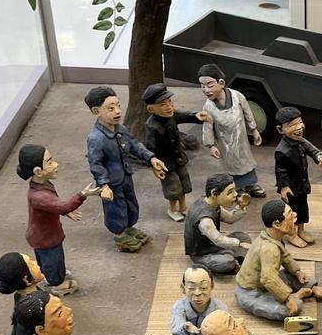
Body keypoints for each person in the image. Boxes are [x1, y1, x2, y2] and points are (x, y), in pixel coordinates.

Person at [83, 86, 168, 252]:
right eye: (110, 108)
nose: (117, 111)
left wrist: (151, 158)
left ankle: (129, 228)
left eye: (118, 106)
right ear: (96, 111)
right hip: (112, 184)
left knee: (131, 204)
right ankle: (120, 235)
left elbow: (135, 145)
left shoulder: (121, 130)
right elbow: (96, 164)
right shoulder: (96, 138)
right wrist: (104, 185)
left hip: (126, 176)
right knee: (116, 209)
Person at [15, 145, 99, 295]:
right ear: (38, 171)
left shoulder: (42, 185)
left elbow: (55, 205)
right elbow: (61, 206)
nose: (56, 164)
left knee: (50, 259)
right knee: (52, 259)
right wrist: (82, 195)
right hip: (46, 236)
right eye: (50, 162)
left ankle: (52, 275)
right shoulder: (39, 196)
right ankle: (57, 283)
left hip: (43, 234)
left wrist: (65, 211)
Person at [236, 199, 322, 320]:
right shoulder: (269, 249)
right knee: (292, 307)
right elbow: (268, 279)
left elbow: (285, 256)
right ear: (277, 224)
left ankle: (315, 289)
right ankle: (295, 296)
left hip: (267, 280)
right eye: (290, 214)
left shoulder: (273, 239)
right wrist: (288, 298)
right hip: (251, 291)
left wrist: (297, 272)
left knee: (293, 276)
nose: (295, 215)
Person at [143, 82, 211, 222]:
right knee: (173, 187)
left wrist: (196, 116)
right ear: (151, 109)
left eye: (169, 101)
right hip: (165, 163)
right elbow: (150, 148)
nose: (169, 106)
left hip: (179, 158)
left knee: (184, 182)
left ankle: (183, 207)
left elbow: (184, 115)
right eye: (163, 104)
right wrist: (154, 166)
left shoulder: (171, 115)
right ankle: (172, 209)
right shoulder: (152, 126)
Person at [198, 63, 266, 198]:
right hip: (225, 142)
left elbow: (247, 113)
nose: (206, 90)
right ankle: (237, 188)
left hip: (241, 138)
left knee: (246, 160)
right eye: (202, 86)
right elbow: (207, 127)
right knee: (231, 165)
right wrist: (211, 145)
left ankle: (251, 184)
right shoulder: (208, 107)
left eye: (209, 85)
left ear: (221, 83)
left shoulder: (237, 96)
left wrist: (254, 130)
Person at [272, 105, 322, 248]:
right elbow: (280, 171)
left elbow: (313, 150)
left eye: (300, 122)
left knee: (303, 209)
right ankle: (291, 235)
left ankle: (301, 231)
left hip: (302, 185)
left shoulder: (300, 141)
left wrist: (320, 156)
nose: (299, 127)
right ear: (280, 129)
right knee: (292, 212)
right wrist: (283, 187)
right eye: (292, 125)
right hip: (291, 189)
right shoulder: (282, 150)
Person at [184, 173, 251, 275]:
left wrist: (241, 207)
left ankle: (230, 254)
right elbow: (218, 239)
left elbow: (230, 218)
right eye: (230, 192)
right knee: (227, 262)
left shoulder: (212, 204)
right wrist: (239, 244)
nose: (236, 194)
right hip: (203, 253)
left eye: (234, 190)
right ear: (214, 193)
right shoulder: (205, 220)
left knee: (244, 237)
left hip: (213, 245)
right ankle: (231, 258)